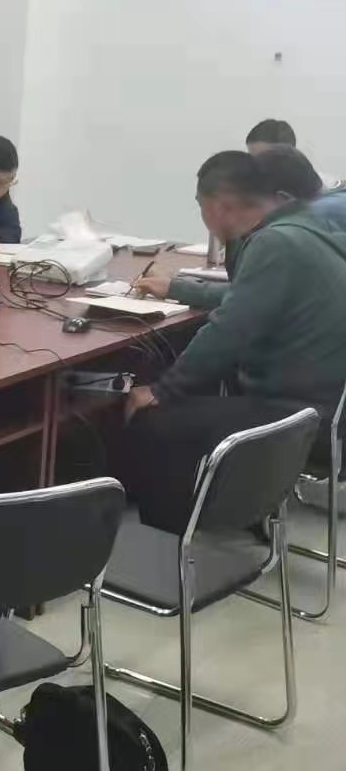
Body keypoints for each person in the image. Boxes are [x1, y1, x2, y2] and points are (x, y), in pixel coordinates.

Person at [118, 151, 346, 532]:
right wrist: (178, 288)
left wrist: (162, 390)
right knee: (201, 390)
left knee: (153, 418)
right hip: (328, 412)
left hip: (297, 419)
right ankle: (238, 514)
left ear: (218, 206)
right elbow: (252, 299)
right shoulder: (311, 230)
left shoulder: (274, 243)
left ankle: (177, 541)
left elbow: (228, 331)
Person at [135, 146, 336, 308]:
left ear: (282, 200)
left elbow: (249, 299)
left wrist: (177, 288)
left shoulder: (289, 238)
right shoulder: (317, 222)